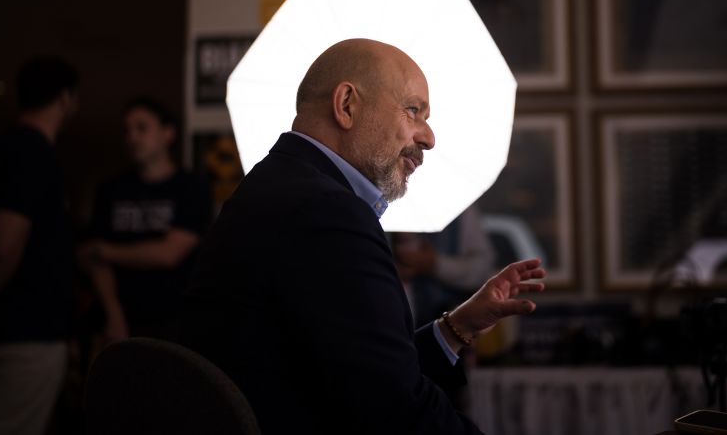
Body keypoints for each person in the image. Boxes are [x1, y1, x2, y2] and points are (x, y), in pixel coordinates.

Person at [174, 38, 546, 434]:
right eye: (413, 110)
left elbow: (363, 372)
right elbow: (396, 411)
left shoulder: (283, 185)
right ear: (347, 105)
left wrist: (458, 328)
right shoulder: (325, 212)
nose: (428, 137)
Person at [0, 57, 78, 435]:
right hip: (26, 331)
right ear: (65, 98)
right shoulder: (31, 152)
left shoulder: (7, 150)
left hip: (12, 327)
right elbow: (5, 246)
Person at [79, 98, 211, 340]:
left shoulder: (192, 187)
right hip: (117, 322)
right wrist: (113, 314)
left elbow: (170, 253)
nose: (132, 137)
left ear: (168, 133)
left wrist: (106, 251)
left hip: (174, 324)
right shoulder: (111, 189)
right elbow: (91, 257)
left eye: (142, 128)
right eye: (127, 130)